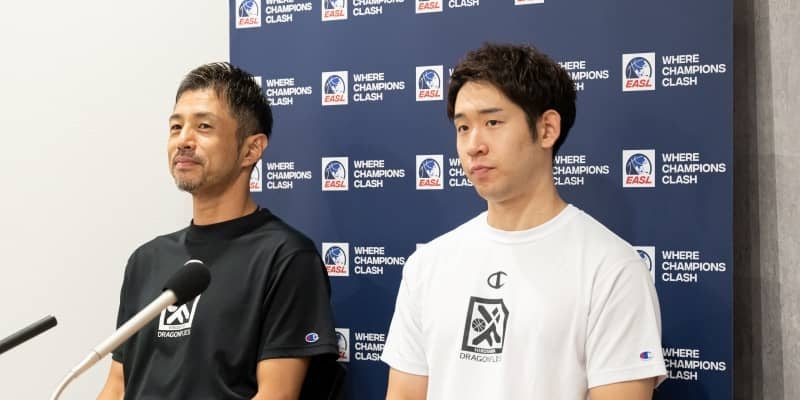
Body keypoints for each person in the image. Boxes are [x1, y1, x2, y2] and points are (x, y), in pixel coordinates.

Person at [381, 43, 667, 399]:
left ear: (547, 129)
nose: (473, 145)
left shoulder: (611, 269)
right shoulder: (428, 264)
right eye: (463, 127)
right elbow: (405, 394)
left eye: (492, 122)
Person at [97, 62, 338, 400]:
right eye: (176, 127)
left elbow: (277, 394)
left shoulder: (286, 257)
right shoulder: (146, 260)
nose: (184, 140)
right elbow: (117, 386)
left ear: (251, 149)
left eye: (204, 126)